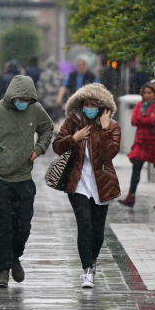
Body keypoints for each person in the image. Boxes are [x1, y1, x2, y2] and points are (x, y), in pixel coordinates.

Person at [0, 75, 54, 288]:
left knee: (23, 226)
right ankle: (3, 270)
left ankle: (15, 256)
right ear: (11, 95)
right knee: (4, 227)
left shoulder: (35, 110)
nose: (23, 102)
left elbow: (47, 128)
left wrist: (38, 149)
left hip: (24, 179)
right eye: (20, 98)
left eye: (27, 98)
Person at [52, 83, 121, 289]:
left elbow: (109, 154)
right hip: (78, 182)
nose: (89, 107)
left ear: (102, 107)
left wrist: (106, 129)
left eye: (94, 104)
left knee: (98, 231)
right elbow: (57, 146)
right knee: (84, 225)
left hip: (103, 184)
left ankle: (93, 261)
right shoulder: (73, 123)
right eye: (86, 104)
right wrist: (74, 138)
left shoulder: (113, 126)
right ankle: (87, 271)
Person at [119, 83, 155, 210]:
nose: (146, 95)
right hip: (141, 142)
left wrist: (142, 119)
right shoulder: (139, 105)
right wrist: (146, 118)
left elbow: (153, 120)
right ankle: (131, 196)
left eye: (149, 93)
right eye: (145, 93)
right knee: (136, 168)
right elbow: (133, 120)